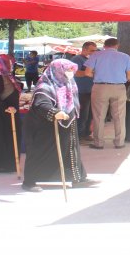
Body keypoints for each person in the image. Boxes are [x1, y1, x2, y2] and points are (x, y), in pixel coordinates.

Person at [20, 59, 88, 192]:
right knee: (39, 152)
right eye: (67, 70)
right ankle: (29, 182)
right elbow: (41, 104)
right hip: (44, 126)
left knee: (70, 151)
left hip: (67, 124)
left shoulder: (69, 84)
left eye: (71, 70)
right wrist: (55, 112)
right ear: (58, 70)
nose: (70, 73)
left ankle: (76, 178)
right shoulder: (45, 86)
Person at [85, 38, 130, 150]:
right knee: (119, 116)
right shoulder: (125, 56)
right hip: (119, 87)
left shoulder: (96, 55)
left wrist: (98, 75)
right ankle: (119, 142)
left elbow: (87, 72)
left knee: (99, 116)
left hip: (100, 87)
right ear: (117, 45)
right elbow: (129, 76)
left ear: (104, 45)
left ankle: (98, 143)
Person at [71, 42, 97, 142]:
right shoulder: (77, 59)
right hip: (81, 91)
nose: (94, 52)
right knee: (82, 115)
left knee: (90, 115)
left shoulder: (91, 60)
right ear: (84, 49)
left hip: (91, 91)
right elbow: (75, 73)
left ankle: (87, 133)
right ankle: (79, 136)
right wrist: (90, 73)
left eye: (95, 50)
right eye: (92, 50)